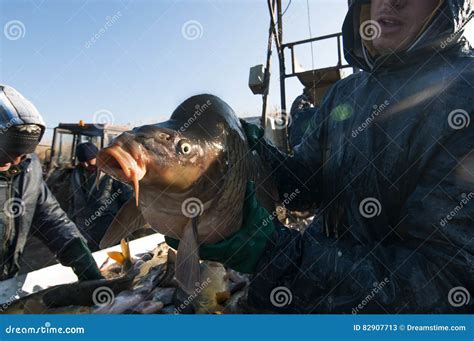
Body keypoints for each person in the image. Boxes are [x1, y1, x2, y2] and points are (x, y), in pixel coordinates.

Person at [167, 0, 474, 313]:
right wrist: (257, 157)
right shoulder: (346, 92)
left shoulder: (465, 95)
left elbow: (446, 282)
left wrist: (279, 255)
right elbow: (310, 184)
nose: (390, 2)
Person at [0, 84, 102, 281]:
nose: (14, 162)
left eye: (21, 153)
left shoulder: (28, 168)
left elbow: (47, 215)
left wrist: (74, 249)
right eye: (6, 152)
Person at [69, 142, 131, 251]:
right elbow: (72, 200)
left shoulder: (113, 173)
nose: (86, 166)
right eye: (83, 163)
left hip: (107, 227)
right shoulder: (75, 174)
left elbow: (127, 199)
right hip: (83, 228)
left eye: (90, 162)